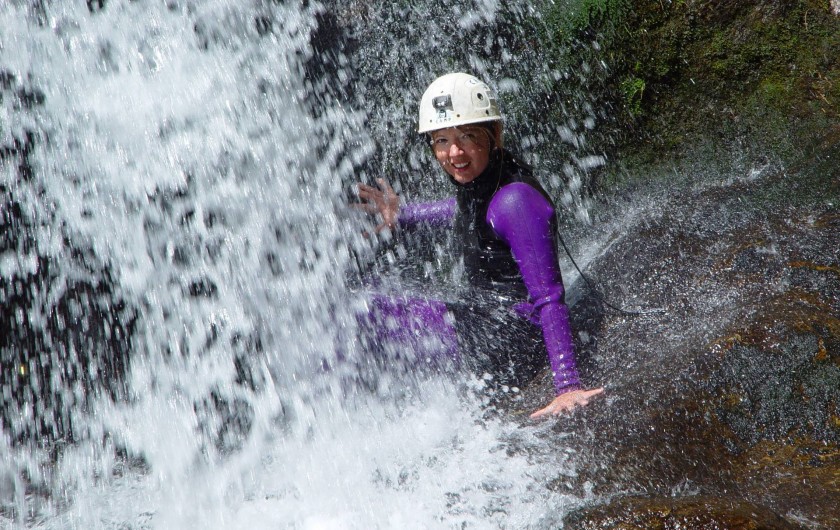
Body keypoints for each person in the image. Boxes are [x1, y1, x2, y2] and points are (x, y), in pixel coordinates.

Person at [356, 72, 603, 418]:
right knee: (366, 306)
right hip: (487, 326)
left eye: (467, 137)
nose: (453, 152)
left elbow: (548, 296)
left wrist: (567, 386)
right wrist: (406, 215)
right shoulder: (490, 186)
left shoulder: (516, 201)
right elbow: (464, 212)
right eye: (441, 141)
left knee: (362, 314)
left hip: (506, 342)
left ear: (494, 135)